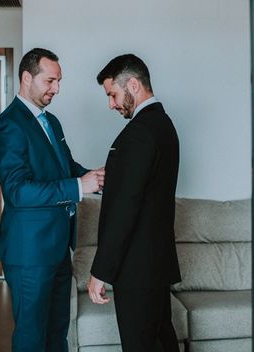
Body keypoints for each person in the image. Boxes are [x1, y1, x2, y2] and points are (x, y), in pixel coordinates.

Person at [0, 48, 105, 352]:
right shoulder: (8, 125)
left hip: (57, 248)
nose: (56, 89)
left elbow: (66, 168)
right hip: (29, 252)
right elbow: (18, 191)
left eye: (59, 81)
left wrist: (98, 177)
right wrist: (79, 187)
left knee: (57, 334)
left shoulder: (51, 121)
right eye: (50, 81)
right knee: (31, 337)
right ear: (27, 78)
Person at [87, 54, 181, 352]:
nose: (111, 104)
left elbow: (125, 208)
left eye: (112, 94)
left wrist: (100, 271)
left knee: (141, 345)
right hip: (154, 263)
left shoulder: (140, 131)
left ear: (133, 84)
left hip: (137, 267)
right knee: (161, 342)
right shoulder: (162, 125)